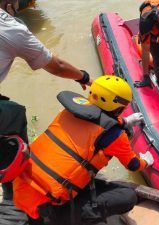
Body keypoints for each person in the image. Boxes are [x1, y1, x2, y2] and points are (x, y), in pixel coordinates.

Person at [10, 75, 154, 225]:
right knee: (128, 196)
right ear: (119, 108)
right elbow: (133, 165)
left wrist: (125, 122)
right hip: (50, 210)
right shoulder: (115, 135)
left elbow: (96, 120)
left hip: (21, 189)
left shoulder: (67, 112)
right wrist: (146, 161)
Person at [0, 1, 92, 201]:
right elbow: (56, 65)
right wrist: (83, 77)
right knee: (12, 114)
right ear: (10, 4)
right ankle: (15, 194)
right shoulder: (12, 29)